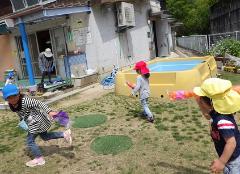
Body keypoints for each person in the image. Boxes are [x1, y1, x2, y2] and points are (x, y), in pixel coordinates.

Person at [2, 84, 72, 167]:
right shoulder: (12, 104)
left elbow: (39, 103)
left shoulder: (25, 101)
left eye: (14, 96)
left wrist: (50, 112)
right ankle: (64, 134)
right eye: (9, 97)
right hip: (35, 122)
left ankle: (39, 159)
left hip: (37, 122)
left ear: (18, 94)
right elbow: (20, 112)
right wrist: (22, 120)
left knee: (30, 141)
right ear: (6, 98)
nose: (12, 99)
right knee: (45, 136)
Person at [193, 78, 240, 174]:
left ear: (209, 103)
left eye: (201, 99)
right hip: (230, 159)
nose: (199, 101)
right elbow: (207, 116)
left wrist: (221, 162)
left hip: (233, 163)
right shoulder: (218, 112)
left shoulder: (222, 121)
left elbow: (231, 143)